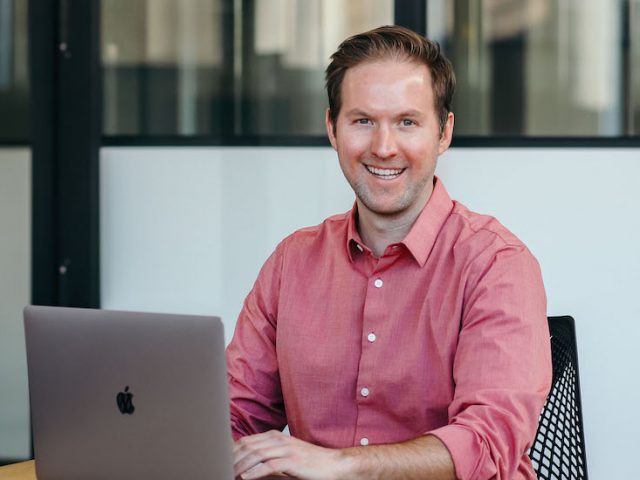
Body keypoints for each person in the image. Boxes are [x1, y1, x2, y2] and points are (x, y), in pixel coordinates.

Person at [227, 25, 551, 480]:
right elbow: (234, 418)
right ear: (332, 129)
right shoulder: (291, 263)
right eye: (362, 121)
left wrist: (338, 465)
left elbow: (487, 442)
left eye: (407, 122)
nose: (383, 147)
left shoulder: (497, 265)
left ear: (443, 132)